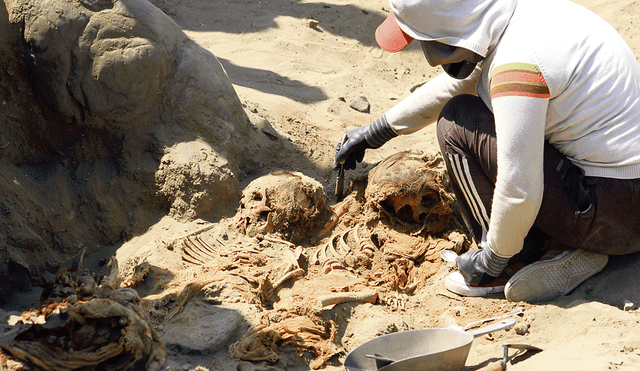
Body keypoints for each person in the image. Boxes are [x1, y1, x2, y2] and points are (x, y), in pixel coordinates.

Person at [333, 0, 640, 303]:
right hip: (622, 201)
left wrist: (492, 258)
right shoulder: (523, 14)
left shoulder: (517, 62)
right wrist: (376, 130)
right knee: (470, 110)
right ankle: (569, 246)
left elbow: (519, 187)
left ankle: (514, 259)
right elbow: (460, 84)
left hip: (612, 216)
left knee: (457, 125)